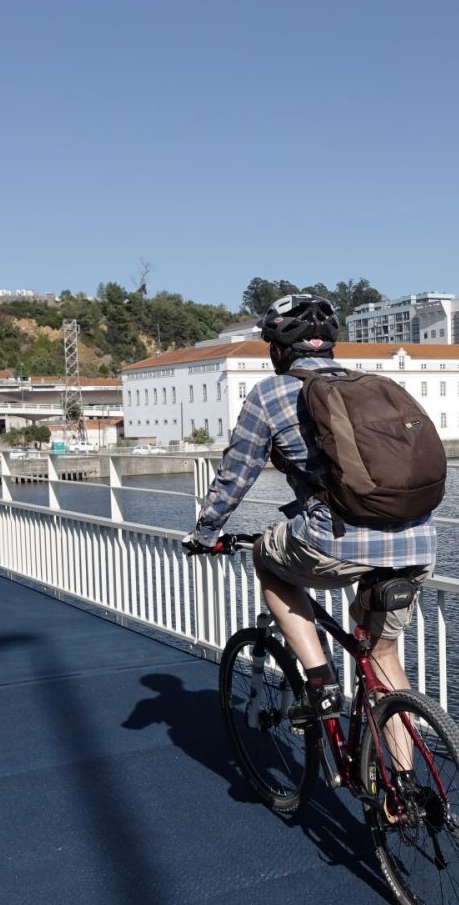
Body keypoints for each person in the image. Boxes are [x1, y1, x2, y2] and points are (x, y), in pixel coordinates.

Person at [183, 294, 436, 729]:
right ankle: (404, 794)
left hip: (337, 540)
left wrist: (206, 533)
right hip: (418, 540)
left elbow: (235, 475)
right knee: (382, 655)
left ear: (277, 350)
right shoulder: (370, 384)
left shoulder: (271, 393)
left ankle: (320, 683)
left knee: (268, 557)